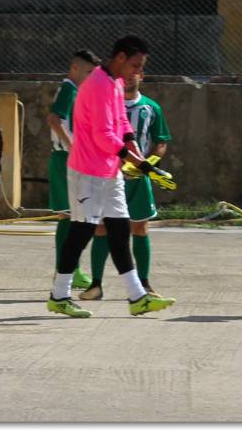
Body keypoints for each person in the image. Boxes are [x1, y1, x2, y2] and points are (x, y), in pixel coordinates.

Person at [46, 35, 176, 318]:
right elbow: (103, 135)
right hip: (87, 171)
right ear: (119, 58)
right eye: (135, 65)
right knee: (80, 232)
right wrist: (139, 165)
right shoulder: (98, 85)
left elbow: (121, 122)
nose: (138, 72)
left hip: (108, 171)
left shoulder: (116, 83)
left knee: (119, 230)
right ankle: (59, 295)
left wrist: (136, 151)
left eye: (141, 67)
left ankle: (137, 297)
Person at [81, 70, 171, 301]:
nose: (129, 78)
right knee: (101, 228)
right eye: (126, 74)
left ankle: (144, 285)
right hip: (108, 175)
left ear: (143, 76)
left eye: (135, 73)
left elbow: (161, 141)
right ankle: (96, 285)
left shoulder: (151, 108)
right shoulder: (107, 105)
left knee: (140, 228)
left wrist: (149, 163)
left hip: (138, 180)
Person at [46, 49, 101, 290]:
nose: (91, 77)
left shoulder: (77, 91)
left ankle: (69, 268)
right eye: (89, 72)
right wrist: (73, 146)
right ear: (75, 68)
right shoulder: (69, 88)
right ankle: (67, 269)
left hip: (69, 159)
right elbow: (54, 119)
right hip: (64, 159)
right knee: (70, 216)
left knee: (74, 216)